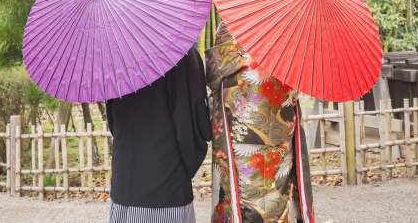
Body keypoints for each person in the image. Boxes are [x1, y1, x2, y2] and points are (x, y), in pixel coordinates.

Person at [206, 23, 314, 223]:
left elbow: (214, 74)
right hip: (278, 126)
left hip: (237, 131)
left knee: (238, 193)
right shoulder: (288, 27)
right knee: (280, 186)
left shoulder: (230, 25)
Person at [106, 46, 213, 223]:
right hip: (167, 175)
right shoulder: (180, 51)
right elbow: (192, 119)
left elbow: (112, 117)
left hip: (125, 176)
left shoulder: (118, 50)